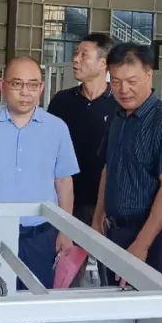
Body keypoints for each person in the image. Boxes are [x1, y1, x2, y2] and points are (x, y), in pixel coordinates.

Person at [0, 56, 79, 289]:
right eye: (17, 84)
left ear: (41, 88)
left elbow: (64, 182)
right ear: (2, 85)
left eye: (32, 85)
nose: (25, 92)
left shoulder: (57, 129)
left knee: (35, 296)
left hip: (40, 235)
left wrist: (66, 231)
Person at [92, 43, 162, 284]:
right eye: (115, 82)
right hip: (114, 231)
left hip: (149, 236)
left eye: (131, 81)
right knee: (113, 302)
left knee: (143, 306)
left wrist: (141, 245)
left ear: (148, 74)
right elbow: (109, 168)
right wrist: (98, 217)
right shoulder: (117, 117)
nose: (123, 90)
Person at [47, 33, 120, 226]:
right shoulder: (61, 101)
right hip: (64, 198)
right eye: (76, 53)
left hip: (105, 205)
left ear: (103, 63)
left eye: (84, 55)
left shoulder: (119, 105)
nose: (75, 59)